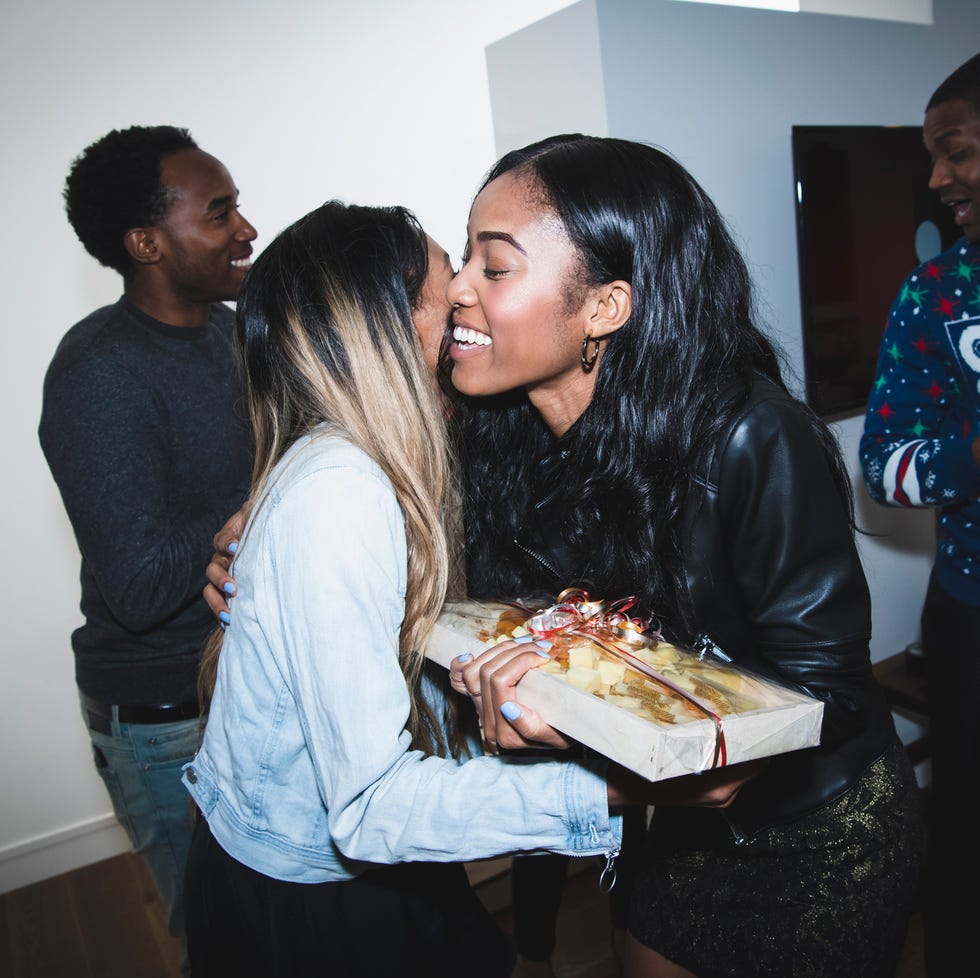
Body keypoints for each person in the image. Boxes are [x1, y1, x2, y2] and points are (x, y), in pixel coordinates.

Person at [445, 134, 925, 978]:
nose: (455, 288)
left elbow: (834, 695)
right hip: (669, 827)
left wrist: (692, 764)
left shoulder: (750, 435)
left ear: (605, 307)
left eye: (494, 267)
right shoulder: (501, 435)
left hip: (813, 833)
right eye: (463, 260)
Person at [180, 200, 628, 978]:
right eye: (445, 278)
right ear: (380, 323)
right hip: (314, 901)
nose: (462, 292)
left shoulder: (374, 455)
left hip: (351, 872)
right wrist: (608, 793)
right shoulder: (342, 490)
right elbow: (369, 808)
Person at [38, 124, 257, 973]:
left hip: (242, 684)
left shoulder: (232, 333)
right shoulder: (100, 371)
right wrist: (261, 499)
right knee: (225, 944)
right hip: (170, 724)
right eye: (221, 211)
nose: (245, 227)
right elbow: (137, 581)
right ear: (146, 243)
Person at [859, 50, 980, 978]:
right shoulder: (935, 297)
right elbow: (885, 471)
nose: (937, 178)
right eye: (934, 155)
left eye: (960, 151)